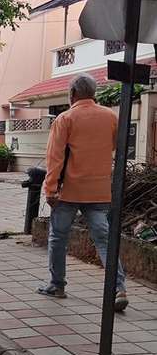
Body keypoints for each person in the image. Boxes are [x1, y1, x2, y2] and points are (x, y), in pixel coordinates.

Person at [38, 72, 128, 311]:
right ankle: (118, 288)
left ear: (72, 93)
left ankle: (57, 285)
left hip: (68, 192)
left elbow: (55, 157)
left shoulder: (65, 119)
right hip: (99, 190)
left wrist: (50, 189)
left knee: (58, 238)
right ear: (93, 93)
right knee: (104, 240)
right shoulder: (111, 117)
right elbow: (117, 148)